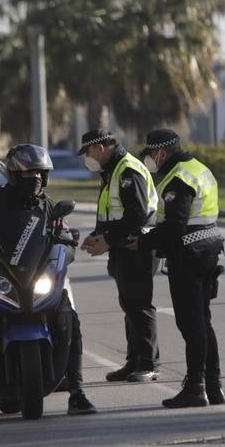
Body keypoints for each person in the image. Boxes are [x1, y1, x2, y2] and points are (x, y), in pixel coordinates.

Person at [0, 143, 96, 421]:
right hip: (1, 277)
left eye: (40, 174)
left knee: (69, 317)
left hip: (37, 279)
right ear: (14, 175)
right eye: (29, 174)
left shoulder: (48, 205)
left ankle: (77, 392)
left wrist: (68, 241)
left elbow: (63, 233)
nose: (35, 179)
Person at [128, 129, 225, 408]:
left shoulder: (179, 177)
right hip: (208, 251)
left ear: (160, 153)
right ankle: (214, 385)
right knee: (203, 322)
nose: (149, 160)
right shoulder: (199, 168)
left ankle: (196, 387)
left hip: (189, 256)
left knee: (191, 324)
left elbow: (175, 225)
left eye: (149, 154)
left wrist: (144, 243)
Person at [77, 129, 161, 382]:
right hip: (122, 247)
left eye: (88, 152)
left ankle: (149, 363)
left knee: (140, 305)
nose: (87, 158)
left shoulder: (127, 170)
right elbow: (111, 214)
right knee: (130, 306)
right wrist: (97, 235)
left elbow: (136, 215)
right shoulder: (112, 171)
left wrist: (107, 240)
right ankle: (133, 360)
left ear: (100, 149)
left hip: (137, 246)